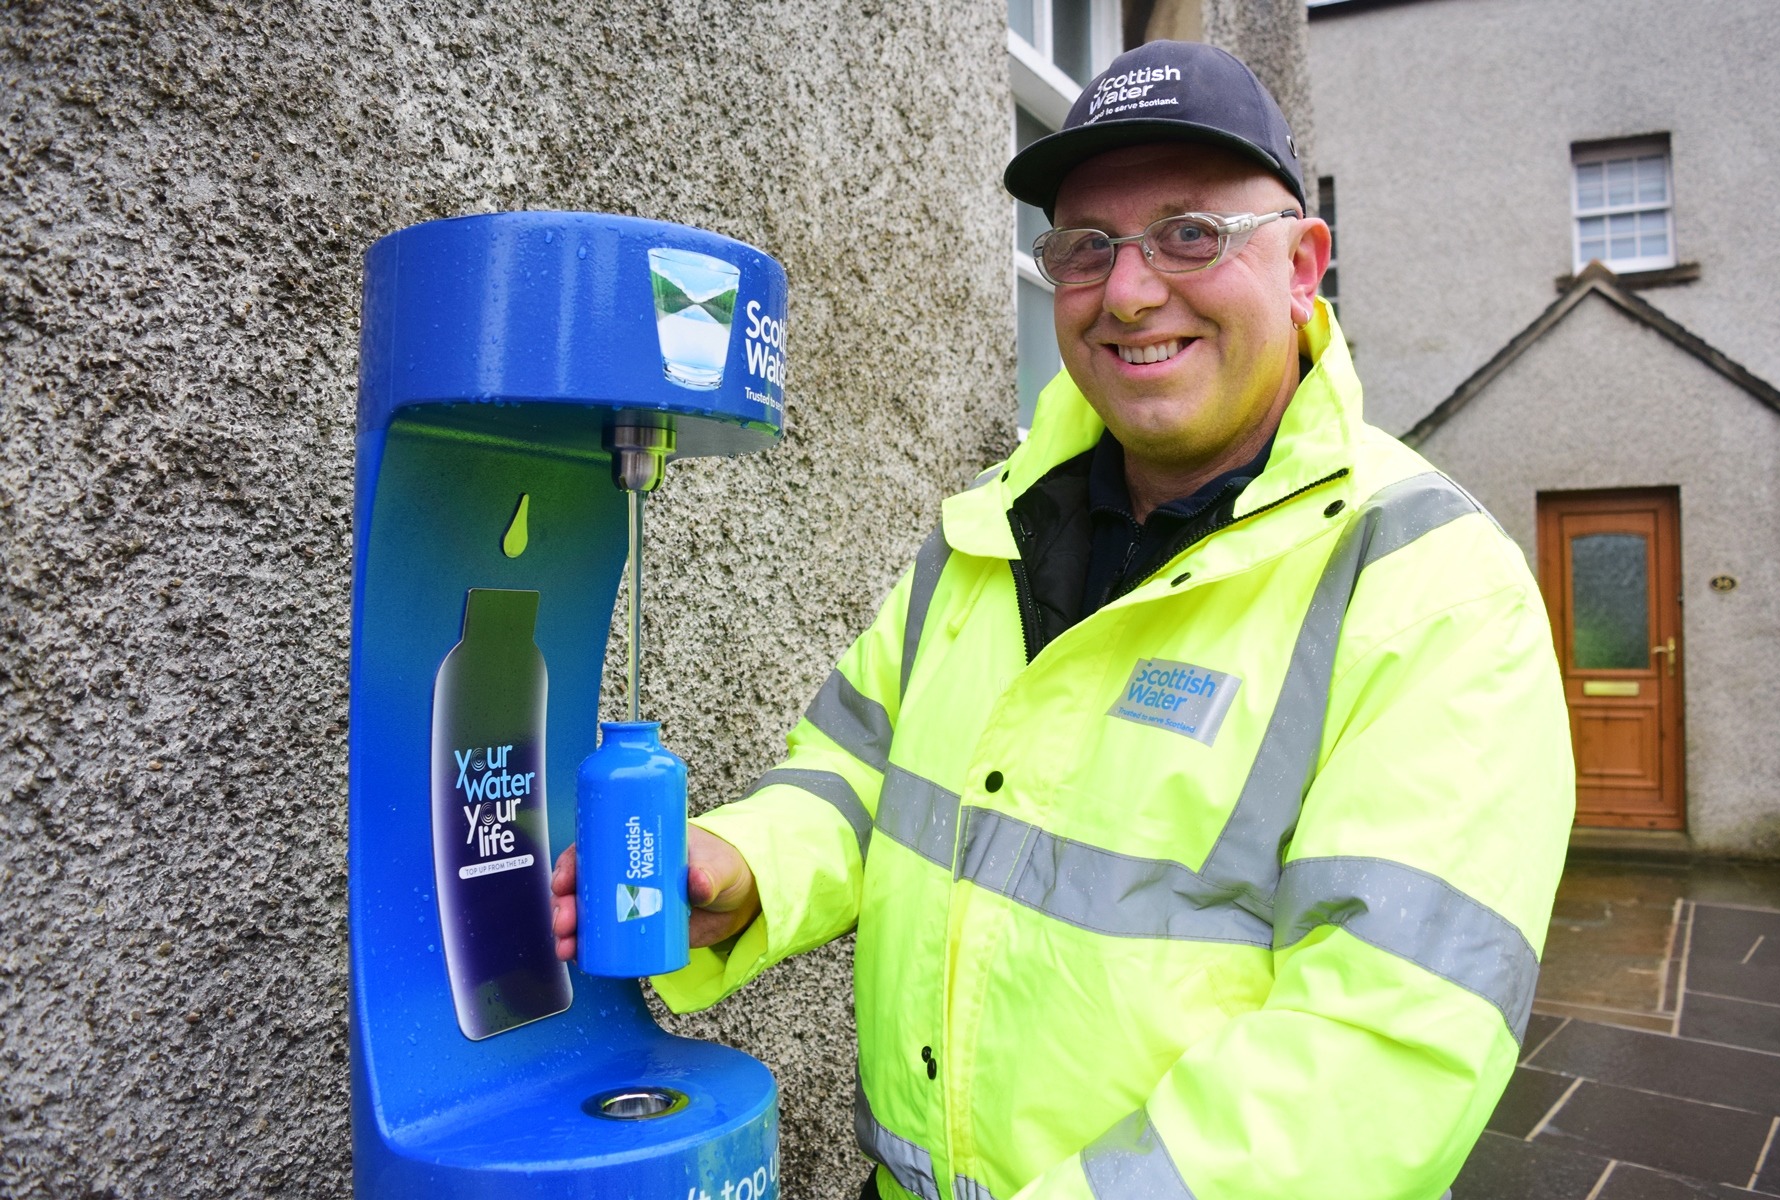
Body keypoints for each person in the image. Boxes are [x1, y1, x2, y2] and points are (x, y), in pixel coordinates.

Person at [553, 40, 1573, 1200]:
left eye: (1191, 233)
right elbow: (857, 770)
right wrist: (745, 865)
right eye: (1087, 247)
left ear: (1303, 266)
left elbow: (1383, 1058)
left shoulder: (1432, 585)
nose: (1131, 292)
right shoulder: (985, 531)